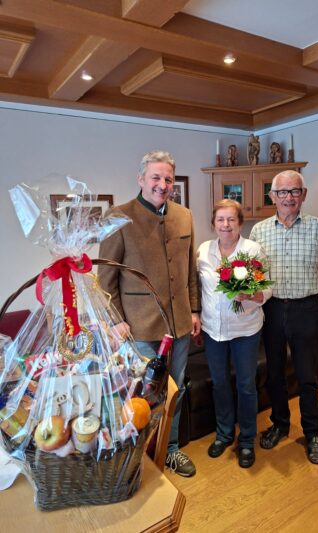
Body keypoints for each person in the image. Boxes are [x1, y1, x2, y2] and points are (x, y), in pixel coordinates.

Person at [98, 150, 201, 477]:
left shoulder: (184, 215)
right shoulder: (119, 217)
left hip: (180, 324)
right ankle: (137, 457)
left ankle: (170, 449)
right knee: (140, 395)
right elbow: (106, 279)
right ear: (141, 179)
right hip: (139, 328)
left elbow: (190, 270)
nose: (162, 184)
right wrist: (116, 321)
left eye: (168, 179)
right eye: (155, 177)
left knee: (175, 389)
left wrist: (194, 309)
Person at [250, 170, 318, 464]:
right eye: (282, 192)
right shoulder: (259, 231)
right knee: (275, 373)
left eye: (294, 191)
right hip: (271, 310)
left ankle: (313, 432)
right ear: (272, 196)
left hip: (306, 309)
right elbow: (251, 276)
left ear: (304, 195)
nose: (288, 197)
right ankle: (279, 424)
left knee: (307, 376)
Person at [197, 199, 272, 468]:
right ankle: (224, 434)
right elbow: (197, 288)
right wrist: (195, 316)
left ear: (240, 223)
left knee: (246, 385)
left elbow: (267, 289)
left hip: (246, 330)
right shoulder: (203, 251)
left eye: (231, 219)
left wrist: (252, 294)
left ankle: (247, 440)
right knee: (219, 384)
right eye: (220, 219)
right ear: (213, 223)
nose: (226, 225)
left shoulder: (253, 251)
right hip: (213, 331)